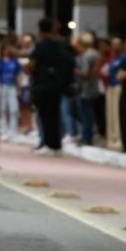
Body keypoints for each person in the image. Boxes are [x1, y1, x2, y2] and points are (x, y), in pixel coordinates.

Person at [25, 18, 74, 155]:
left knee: (44, 116)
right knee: (54, 115)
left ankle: (48, 143)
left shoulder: (41, 45)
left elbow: (31, 64)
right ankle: (55, 144)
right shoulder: (61, 44)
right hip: (57, 85)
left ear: (40, 30)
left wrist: (28, 69)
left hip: (42, 85)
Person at [0, 36, 21, 141]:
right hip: (1, 85)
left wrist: (19, 87)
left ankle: (13, 130)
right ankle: (3, 129)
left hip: (12, 86)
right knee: (2, 108)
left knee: (13, 109)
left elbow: (18, 75)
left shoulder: (14, 62)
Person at [74, 32, 101, 147]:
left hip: (87, 89)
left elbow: (85, 74)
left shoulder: (87, 55)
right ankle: (89, 136)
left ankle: (87, 138)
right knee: (90, 114)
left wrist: (74, 70)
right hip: (95, 87)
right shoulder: (96, 54)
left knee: (86, 115)